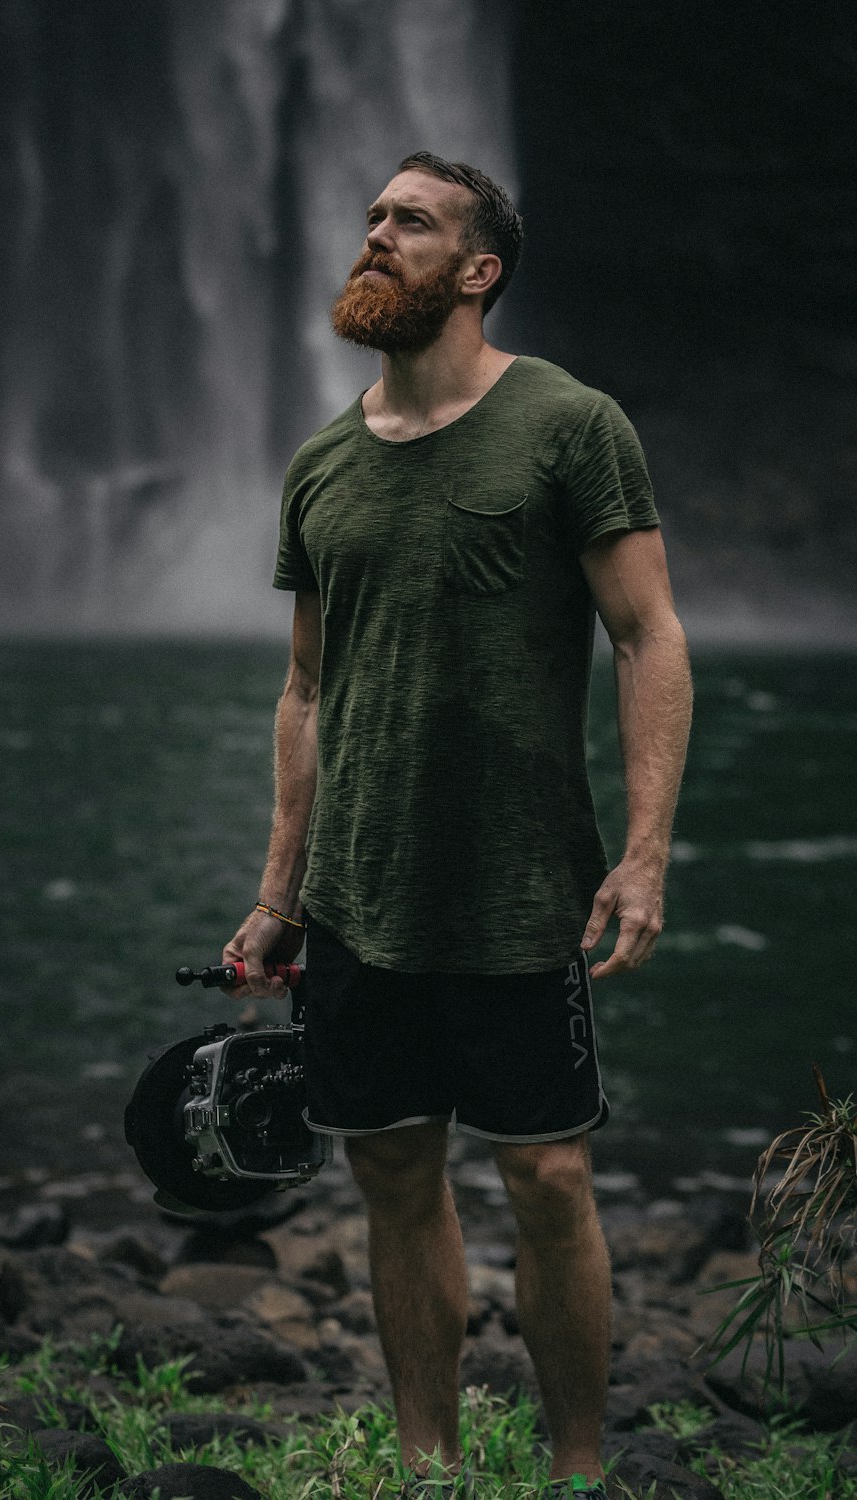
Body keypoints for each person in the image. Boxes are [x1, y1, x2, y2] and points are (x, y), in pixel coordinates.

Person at [222, 151, 692, 1499]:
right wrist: (276, 891)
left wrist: (645, 854)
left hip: (520, 882)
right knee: (392, 1168)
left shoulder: (567, 423)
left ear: (478, 269)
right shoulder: (321, 463)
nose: (376, 236)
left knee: (547, 1173)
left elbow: (649, 635)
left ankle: (579, 1471)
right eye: (371, 217)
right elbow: (305, 689)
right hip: (361, 893)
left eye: (411, 223)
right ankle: (429, 1472)